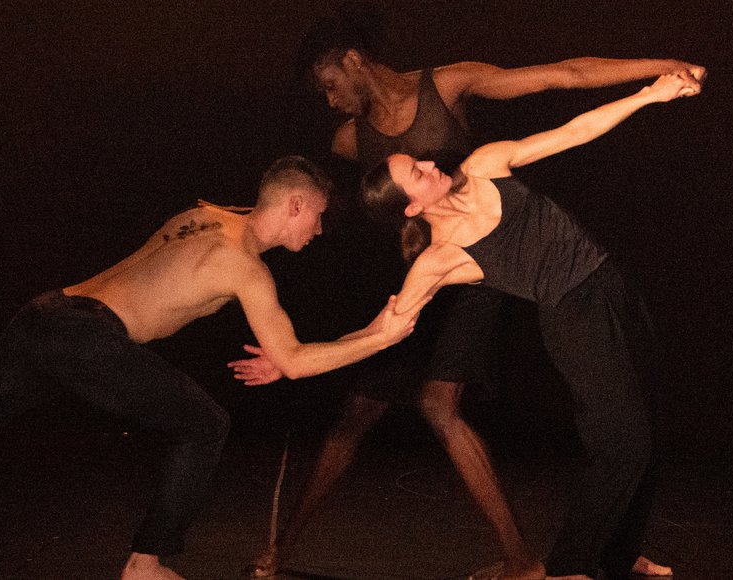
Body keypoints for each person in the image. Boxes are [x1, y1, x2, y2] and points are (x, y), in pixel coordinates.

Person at [0, 156, 425, 580]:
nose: (316, 235)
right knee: (204, 425)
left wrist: (282, 362)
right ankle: (146, 563)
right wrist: (381, 333)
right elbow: (296, 359)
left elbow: (185, 291)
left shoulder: (202, 216)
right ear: (296, 205)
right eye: (317, 220)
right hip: (85, 338)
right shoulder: (243, 264)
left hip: (45, 316)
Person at [238, 6, 703, 579]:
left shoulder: (484, 164)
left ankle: (613, 554)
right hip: (571, 313)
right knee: (620, 441)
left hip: (610, 285)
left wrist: (650, 94)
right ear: (413, 205)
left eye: (421, 160)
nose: (432, 164)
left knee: (648, 427)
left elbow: (571, 130)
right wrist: (291, 362)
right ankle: (565, 567)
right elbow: (389, 325)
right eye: (419, 170)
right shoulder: (440, 258)